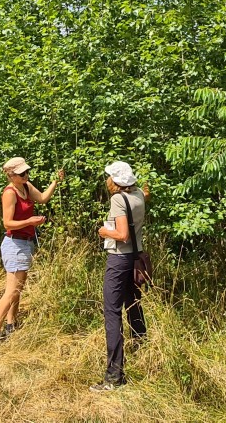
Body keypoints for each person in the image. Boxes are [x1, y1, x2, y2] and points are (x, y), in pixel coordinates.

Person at [0, 156, 64, 345]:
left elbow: (43, 198)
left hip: (26, 243)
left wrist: (56, 181)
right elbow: (7, 223)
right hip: (14, 244)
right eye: (22, 173)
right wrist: (30, 221)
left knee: (18, 289)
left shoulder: (26, 187)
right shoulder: (10, 192)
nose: (26, 175)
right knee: (11, 291)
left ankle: (11, 324)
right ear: (11, 175)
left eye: (27, 171)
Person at [91, 160, 148, 392]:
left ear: (115, 181)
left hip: (119, 259)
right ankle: (142, 348)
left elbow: (122, 234)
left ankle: (114, 376)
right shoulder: (139, 195)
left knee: (112, 312)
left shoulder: (117, 199)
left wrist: (105, 232)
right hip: (135, 257)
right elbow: (146, 193)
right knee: (133, 304)